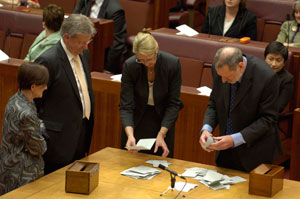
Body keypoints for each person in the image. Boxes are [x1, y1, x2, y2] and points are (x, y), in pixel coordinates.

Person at [199, 46, 282, 172]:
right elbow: (214, 103)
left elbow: (268, 119)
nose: (223, 80)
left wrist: (235, 139)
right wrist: (206, 128)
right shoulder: (220, 69)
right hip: (225, 152)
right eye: (221, 76)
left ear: (241, 66)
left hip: (255, 152)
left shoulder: (266, 77)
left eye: (228, 77)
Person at [34, 14, 96, 174]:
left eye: (88, 41)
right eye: (82, 42)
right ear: (67, 37)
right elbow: (35, 103)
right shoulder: (48, 61)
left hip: (81, 133)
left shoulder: (84, 54)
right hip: (56, 140)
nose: (86, 47)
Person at [119, 30, 183, 158]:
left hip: (162, 121)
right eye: (141, 60)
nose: (146, 64)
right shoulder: (130, 65)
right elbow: (126, 105)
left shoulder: (172, 64)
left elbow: (173, 104)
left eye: (149, 59)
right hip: (136, 121)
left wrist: (162, 133)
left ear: (156, 50)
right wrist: (130, 135)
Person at [0, 62, 48, 195]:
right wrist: (40, 133)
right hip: (22, 174)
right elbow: (39, 148)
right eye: (43, 84)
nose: (46, 87)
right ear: (33, 86)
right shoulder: (26, 113)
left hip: (8, 166)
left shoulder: (15, 100)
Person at [73, 0, 127, 74]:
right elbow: (72, 24)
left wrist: (107, 70)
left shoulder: (115, 10)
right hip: (81, 53)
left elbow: (117, 43)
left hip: (102, 59)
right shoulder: (84, 1)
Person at [264, 41, 294, 113]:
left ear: (284, 63)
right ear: (265, 59)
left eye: (278, 60)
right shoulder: (257, 72)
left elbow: (279, 107)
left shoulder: (287, 79)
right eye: (270, 59)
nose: (274, 64)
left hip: (269, 117)